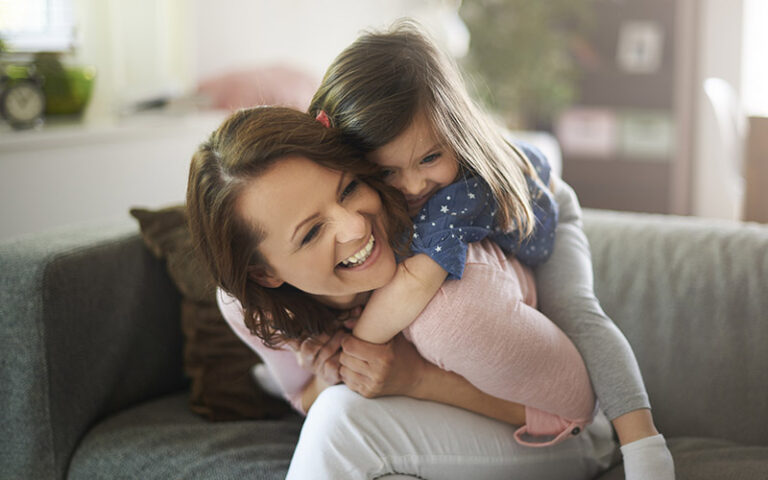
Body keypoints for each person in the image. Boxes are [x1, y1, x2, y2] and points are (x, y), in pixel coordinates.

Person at [308, 20, 674, 480]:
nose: (414, 185)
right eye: (386, 173)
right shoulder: (397, 190)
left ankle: (643, 442)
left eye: (429, 158)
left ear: (456, 133)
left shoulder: (461, 192)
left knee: (575, 310)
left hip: (545, 208)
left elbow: (416, 281)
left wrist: (356, 346)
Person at [187, 106, 617, 479]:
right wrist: (331, 372)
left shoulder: (450, 299)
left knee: (339, 421)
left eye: (349, 188)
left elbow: (578, 411)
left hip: (566, 438)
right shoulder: (255, 308)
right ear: (264, 274)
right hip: (429, 434)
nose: (356, 226)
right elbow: (303, 397)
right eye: (312, 232)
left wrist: (415, 378)